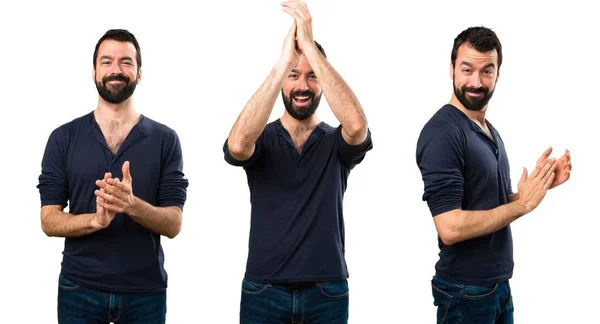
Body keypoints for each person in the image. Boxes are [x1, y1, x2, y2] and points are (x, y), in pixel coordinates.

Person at [223, 1, 373, 322]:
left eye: (312, 76)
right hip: (263, 290)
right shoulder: (261, 140)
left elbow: (358, 126)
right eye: (294, 76)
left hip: (327, 293)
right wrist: (282, 64)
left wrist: (309, 48)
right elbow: (236, 146)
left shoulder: (337, 142)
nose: (302, 86)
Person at [415, 26, 572, 323]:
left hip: (496, 288)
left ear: (498, 74)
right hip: (465, 292)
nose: (476, 81)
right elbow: (449, 227)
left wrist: (540, 186)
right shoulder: (443, 132)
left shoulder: (488, 131)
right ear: (451, 69)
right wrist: (521, 205)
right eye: (467, 69)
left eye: (487, 71)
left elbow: (491, 205)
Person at [37, 29, 189, 323]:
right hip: (79, 289)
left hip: (145, 294)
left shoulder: (165, 140)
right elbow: (47, 219)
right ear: (94, 71)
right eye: (106, 62)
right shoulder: (63, 138)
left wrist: (132, 206)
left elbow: (173, 224)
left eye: (126, 62)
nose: (116, 70)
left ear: (140, 73)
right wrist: (95, 220)